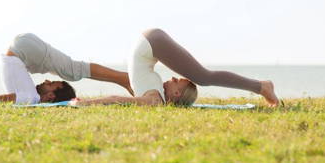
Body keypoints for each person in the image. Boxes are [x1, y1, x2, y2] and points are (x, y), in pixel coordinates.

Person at [71, 28, 279, 107]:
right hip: (151, 43)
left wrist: (87, 103)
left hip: (150, 43)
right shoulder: (155, 96)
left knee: (203, 78)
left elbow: (116, 100)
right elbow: (120, 98)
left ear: (177, 94)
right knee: (203, 78)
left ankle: (262, 86)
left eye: (175, 81)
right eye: (175, 79)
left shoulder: (154, 99)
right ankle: (261, 86)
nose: (171, 78)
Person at [0, 33, 133, 104]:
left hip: (24, 49)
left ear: (51, 97)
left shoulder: (29, 96)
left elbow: (0, 98)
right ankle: (125, 78)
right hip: (25, 49)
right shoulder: (31, 97)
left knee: (72, 70)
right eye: (52, 83)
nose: (46, 79)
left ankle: (124, 79)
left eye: (51, 83)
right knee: (73, 71)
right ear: (52, 96)